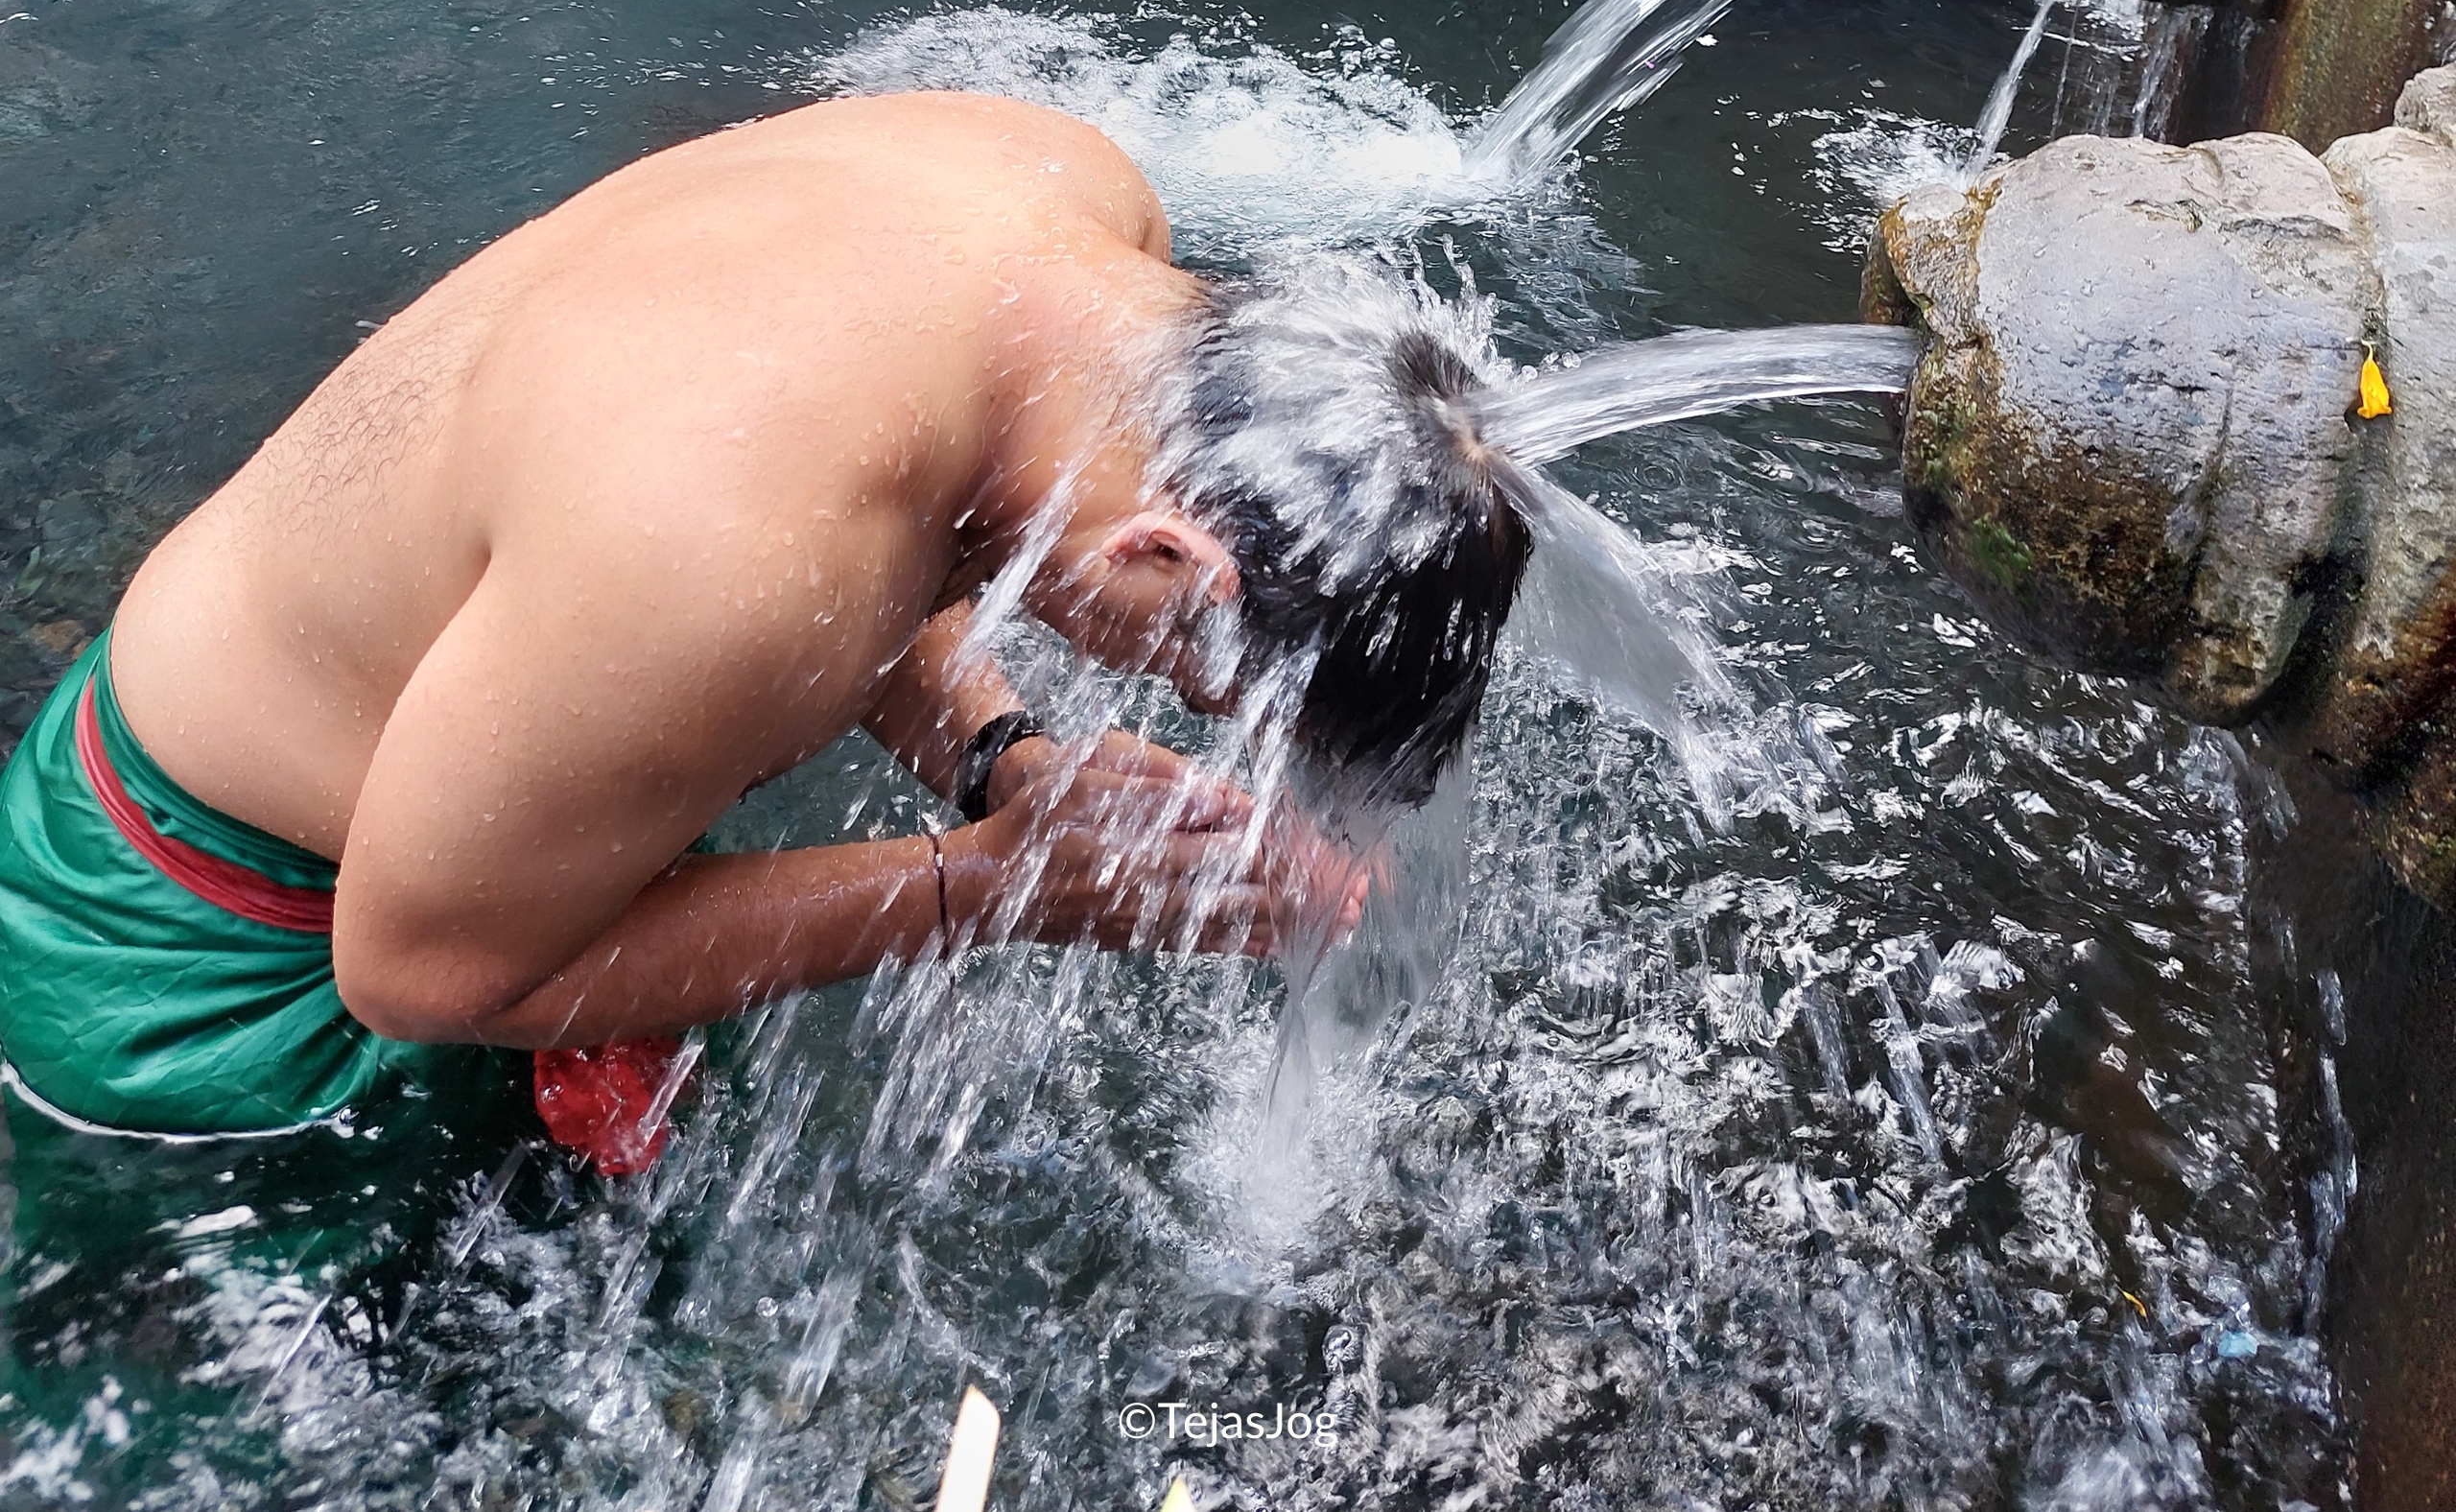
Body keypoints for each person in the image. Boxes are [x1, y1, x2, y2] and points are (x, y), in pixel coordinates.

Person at [0, 91, 1531, 1157]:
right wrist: (983, 888)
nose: (1172, 697)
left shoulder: (1068, 201)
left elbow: (900, 514)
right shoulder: (724, 558)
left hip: (430, 789)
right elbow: (413, 974)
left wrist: (1001, 755)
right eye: (1202, 679)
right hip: (191, 947)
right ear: (1165, 554)